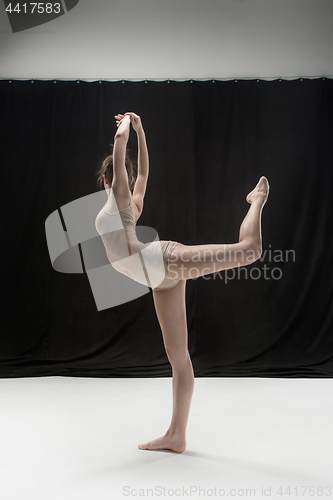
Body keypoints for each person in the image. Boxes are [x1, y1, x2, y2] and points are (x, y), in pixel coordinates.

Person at [95, 112, 269, 453]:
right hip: (160, 282)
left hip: (164, 260)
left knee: (250, 251)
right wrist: (141, 129)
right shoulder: (131, 202)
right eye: (125, 177)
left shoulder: (119, 199)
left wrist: (128, 125)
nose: (127, 180)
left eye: (124, 177)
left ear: (110, 177)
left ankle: (257, 200)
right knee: (179, 358)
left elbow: (120, 144)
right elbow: (143, 171)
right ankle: (177, 436)